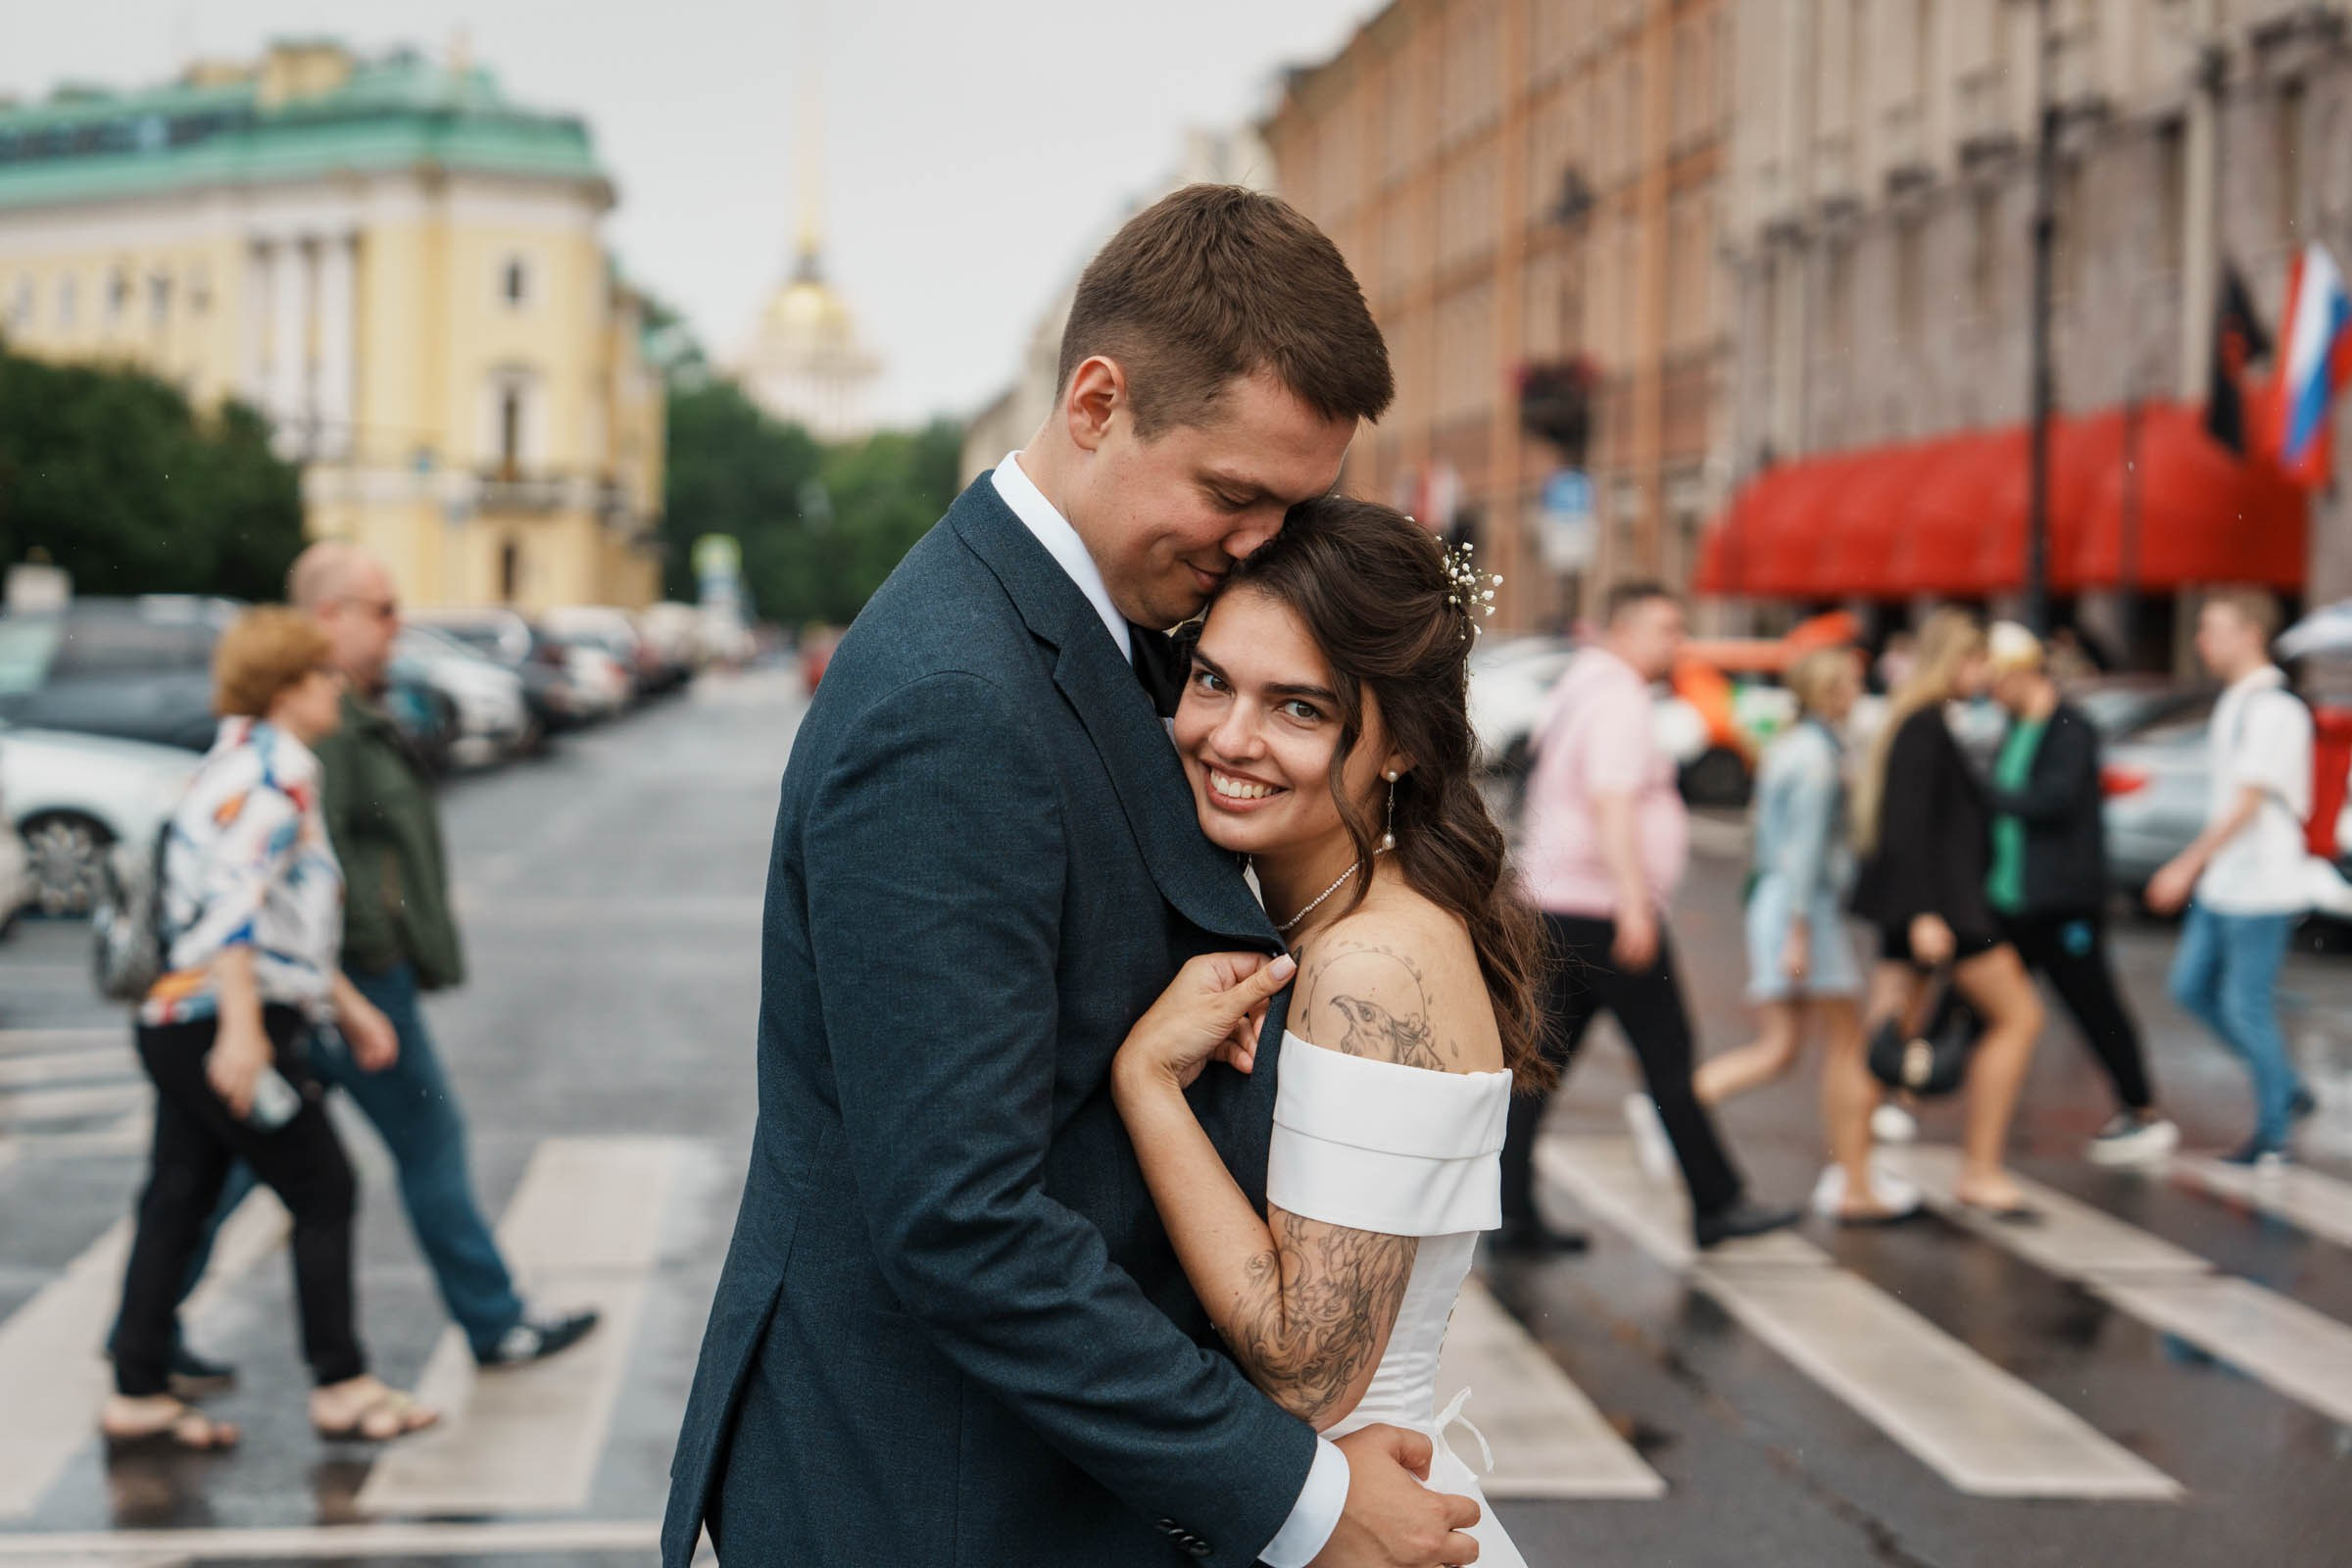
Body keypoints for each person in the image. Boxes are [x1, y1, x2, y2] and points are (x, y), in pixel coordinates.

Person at [665, 186, 1479, 1568]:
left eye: (1291, 508)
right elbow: (961, 1222)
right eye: (1235, 495)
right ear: (1098, 403)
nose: (1258, 547)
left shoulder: (1119, 627)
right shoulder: (954, 697)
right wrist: (1299, 1500)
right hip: (935, 1502)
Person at [1111, 497, 1548, 1568]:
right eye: (1212, 679)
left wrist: (1147, 1085)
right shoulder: (1317, 918)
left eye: (1298, 708)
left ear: (1396, 741)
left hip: (1363, 1519)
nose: (1231, 736)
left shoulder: (1375, 962)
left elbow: (1311, 1371)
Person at [142, 543, 597, 1388]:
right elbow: (289, 877)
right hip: (338, 981)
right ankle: (490, 1323)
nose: (398, 628)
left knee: (240, 1159)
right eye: (382, 610)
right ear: (329, 617)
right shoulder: (322, 732)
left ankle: (147, 1329)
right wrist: (353, 981)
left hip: (320, 986)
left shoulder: (345, 715)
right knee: (420, 1144)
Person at [104, 608, 438, 1450]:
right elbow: (234, 908)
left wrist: (351, 1010)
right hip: (221, 1019)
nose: (338, 687)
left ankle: (138, 1388)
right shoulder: (276, 775)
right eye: (324, 676)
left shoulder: (239, 758)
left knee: (178, 1198)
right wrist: (246, 1035)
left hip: (188, 1018)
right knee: (324, 1187)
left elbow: (281, 914)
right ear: (289, 687)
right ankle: (342, 1384)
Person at [1505, 581, 1797, 1251]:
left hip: (1558, 905)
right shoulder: (1618, 700)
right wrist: (1635, 903)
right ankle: (1717, 1202)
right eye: (1667, 629)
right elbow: (1611, 801)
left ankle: (1511, 1211)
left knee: (1542, 1064)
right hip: (1605, 910)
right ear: (1625, 630)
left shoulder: (1579, 687)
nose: (1678, 644)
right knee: (1669, 1057)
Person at [1692, 648, 1909, 1221]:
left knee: (1782, 1048)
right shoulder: (1815, 755)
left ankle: (1678, 1111)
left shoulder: (1792, 745)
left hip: (1784, 906)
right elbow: (1804, 851)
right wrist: (1799, 931)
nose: (1860, 689)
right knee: (1849, 1045)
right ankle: (1854, 1182)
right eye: (1853, 681)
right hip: (1803, 910)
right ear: (1830, 691)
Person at [1850, 608, 2044, 1217]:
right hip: (1942, 910)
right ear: (1952, 660)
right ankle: (1977, 1171)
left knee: (1880, 1045)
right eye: (1977, 660)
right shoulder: (1924, 727)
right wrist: (1927, 913)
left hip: (1932, 907)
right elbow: (1907, 829)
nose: (1984, 674)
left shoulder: (1922, 722)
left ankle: (1856, 1180)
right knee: (2018, 1018)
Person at [1982, 622, 2177, 1165]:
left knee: (2094, 1005)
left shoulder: (2071, 727)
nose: (1993, 691)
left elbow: (2053, 800)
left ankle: (2141, 1109)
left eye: (1999, 679)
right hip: (2013, 896)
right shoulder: (2015, 725)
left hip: (2063, 900)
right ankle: (1911, 1083)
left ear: (2023, 674)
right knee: (1973, 997)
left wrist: (1984, 796)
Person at [2148, 589, 2317, 1167]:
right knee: (2191, 988)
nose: (2202, 641)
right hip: (2227, 882)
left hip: (2261, 883)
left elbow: (2247, 801)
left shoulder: (2275, 709)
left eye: (2212, 627)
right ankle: (2284, 1085)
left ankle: (2274, 1133)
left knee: (2246, 1004)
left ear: (2251, 633)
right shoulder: (2236, 703)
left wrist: (2185, 865)